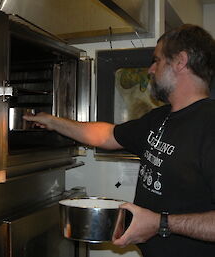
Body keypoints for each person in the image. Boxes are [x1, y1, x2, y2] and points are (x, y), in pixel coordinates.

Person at [23, 24, 215, 257]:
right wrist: (52, 121)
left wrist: (161, 224)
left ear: (180, 61)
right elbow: (105, 135)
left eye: (157, 60)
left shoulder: (209, 125)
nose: (151, 70)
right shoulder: (159, 118)